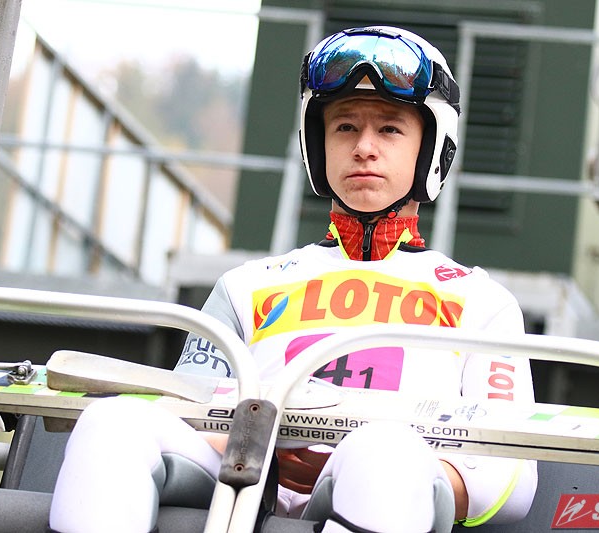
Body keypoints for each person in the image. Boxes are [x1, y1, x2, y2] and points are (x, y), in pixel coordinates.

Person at [49, 25, 537, 533]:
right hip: (243, 479)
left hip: (391, 481)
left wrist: (381, 463)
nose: (364, 147)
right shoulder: (243, 287)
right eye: (344, 127)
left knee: (382, 450)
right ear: (316, 144)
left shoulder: (481, 303)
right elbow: (189, 413)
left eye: (390, 129)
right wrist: (260, 450)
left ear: (431, 149)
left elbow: (512, 475)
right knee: (112, 422)